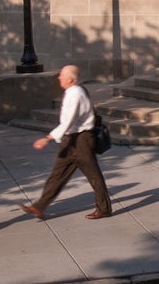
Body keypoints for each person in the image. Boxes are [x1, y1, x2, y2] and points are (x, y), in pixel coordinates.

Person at [21, 64, 113, 220]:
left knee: (94, 175)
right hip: (71, 140)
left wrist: (47, 138)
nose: (58, 78)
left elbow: (68, 122)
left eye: (61, 75)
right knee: (58, 174)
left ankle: (104, 208)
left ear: (70, 79)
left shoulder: (75, 94)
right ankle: (39, 206)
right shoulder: (75, 91)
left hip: (81, 140)